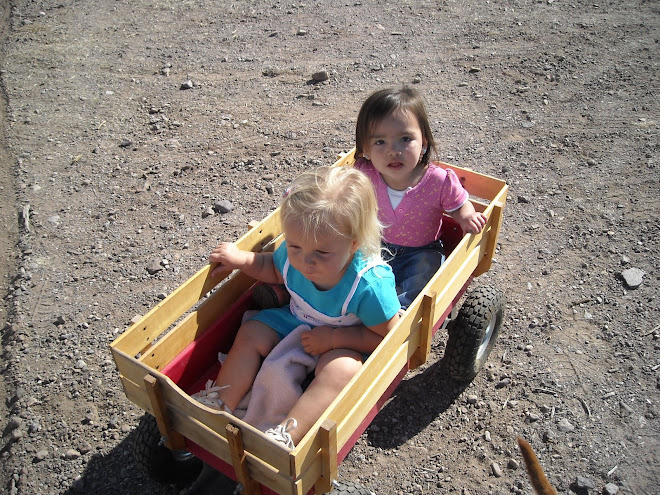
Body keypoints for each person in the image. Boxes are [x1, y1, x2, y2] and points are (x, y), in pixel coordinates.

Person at [194, 166, 401, 449]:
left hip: (346, 340)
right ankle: (218, 403)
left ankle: (285, 434)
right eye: (295, 248)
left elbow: (388, 337)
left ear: (353, 244)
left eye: (322, 253)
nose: (305, 262)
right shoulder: (297, 253)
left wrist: (334, 339)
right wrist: (241, 259)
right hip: (296, 319)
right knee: (253, 330)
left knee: (343, 371)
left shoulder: (368, 287)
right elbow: (274, 268)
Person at [354, 86, 488, 309]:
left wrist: (466, 217)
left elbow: (458, 204)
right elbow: (338, 191)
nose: (393, 151)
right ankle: (361, 307)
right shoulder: (364, 174)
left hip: (421, 250)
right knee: (349, 267)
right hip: (374, 243)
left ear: (424, 143)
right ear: (366, 148)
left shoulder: (438, 180)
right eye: (380, 142)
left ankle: (403, 318)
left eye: (405, 139)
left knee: (425, 277)